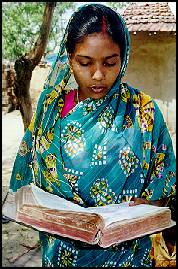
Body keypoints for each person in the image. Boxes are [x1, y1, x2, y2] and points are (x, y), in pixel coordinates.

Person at [9, 3, 176, 267]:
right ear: (69, 58)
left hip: (128, 254)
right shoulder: (52, 108)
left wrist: (152, 205)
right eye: (85, 63)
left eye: (110, 62)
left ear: (123, 58)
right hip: (62, 253)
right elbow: (32, 174)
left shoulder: (143, 112)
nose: (98, 75)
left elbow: (164, 180)